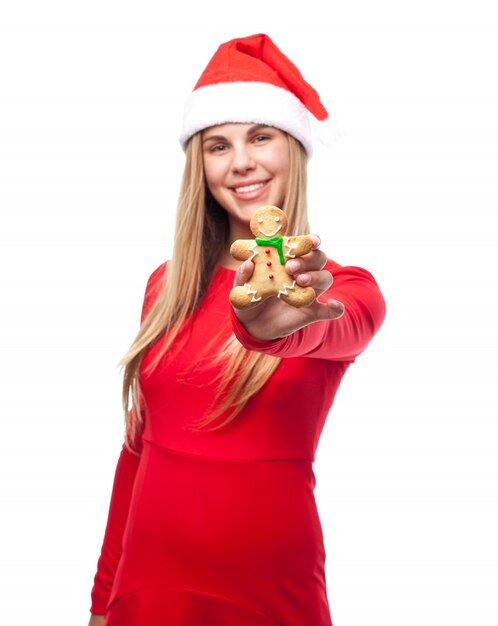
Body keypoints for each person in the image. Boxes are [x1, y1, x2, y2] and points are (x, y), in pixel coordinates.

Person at [88, 33, 386, 626]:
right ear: (200, 166)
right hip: (147, 592)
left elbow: (332, 330)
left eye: (261, 136)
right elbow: (136, 454)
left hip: (267, 594)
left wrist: (274, 332)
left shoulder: (338, 290)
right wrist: (102, 601)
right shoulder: (165, 285)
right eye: (218, 144)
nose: (241, 162)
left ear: (294, 149)